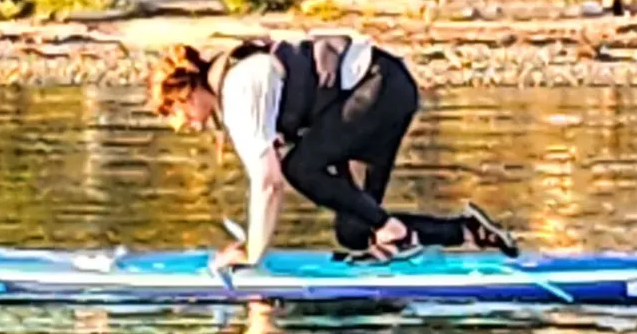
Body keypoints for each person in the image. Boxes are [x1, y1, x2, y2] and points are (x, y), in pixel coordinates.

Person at [150, 33, 516, 270]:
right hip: (386, 88)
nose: (180, 125)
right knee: (354, 231)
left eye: (175, 113)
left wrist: (251, 257)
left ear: (186, 93)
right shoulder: (233, 83)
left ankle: (395, 232)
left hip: (377, 87)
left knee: (300, 169)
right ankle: (467, 232)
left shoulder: (237, 90)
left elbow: (268, 184)